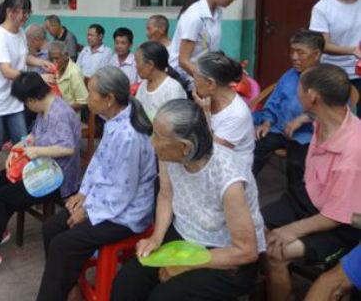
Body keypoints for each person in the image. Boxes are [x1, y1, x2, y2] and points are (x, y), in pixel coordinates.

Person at [111, 99, 265, 300]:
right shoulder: (169, 154)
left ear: (184, 147)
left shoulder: (229, 178)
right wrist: (156, 237)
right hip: (184, 238)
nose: (152, 142)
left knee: (165, 297)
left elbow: (246, 251)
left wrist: (188, 264)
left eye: (158, 136)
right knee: (127, 282)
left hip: (225, 252)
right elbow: (166, 195)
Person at [36, 66, 157, 301]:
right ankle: (67, 286)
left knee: (63, 244)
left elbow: (123, 192)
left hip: (126, 213)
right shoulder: (113, 119)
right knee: (51, 228)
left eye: (91, 93)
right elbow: (97, 164)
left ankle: (55, 291)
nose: (87, 98)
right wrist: (83, 194)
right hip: (105, 200)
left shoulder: (128, 135)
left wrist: (88, 211)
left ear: (109, 99)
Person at [0, 72, 81, 281]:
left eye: (25, 103)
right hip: (42, 167)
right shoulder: (46, 106)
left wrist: (37, 152)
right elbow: (36, 134)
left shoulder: (59, 112)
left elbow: (68, 148)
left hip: (56, 177)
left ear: (32, 100)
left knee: (2, 197)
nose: (26, 107)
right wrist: (22, 145)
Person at [262, 64, 361, 301]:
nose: (296, 93)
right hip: (309, 196)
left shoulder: (352, 151)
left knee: (277, 252)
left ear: (313, 96)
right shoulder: (323, 119)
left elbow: (337, 215)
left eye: (300, 88)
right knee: (255, 229)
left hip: (342, 222)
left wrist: (291, 230)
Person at [0, 0, 54, 184]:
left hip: (13, 97)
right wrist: (38, 77)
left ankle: (27, 178)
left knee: (23, 139)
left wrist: (41, 62)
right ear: (10, 11)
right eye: (23, 13)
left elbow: (23, 57)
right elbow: (7, 71)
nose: (25, 17)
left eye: (28, 13)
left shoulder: (19, 32)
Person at [252, 30, 323, 185]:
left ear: (316, 54)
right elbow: (274, 102)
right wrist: (267, 122)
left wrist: (306, 118)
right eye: (292, 51)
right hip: (280, 129)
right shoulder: (289, 75)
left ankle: (301, 207)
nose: (294, 57)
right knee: (254, 149)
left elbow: (335, 111)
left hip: (306, 135)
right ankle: (241, 191)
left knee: (296, 165)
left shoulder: (326, 79)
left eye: (300, 52)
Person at [169, 0, 244, 86]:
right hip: (184, 80)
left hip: (201, 74)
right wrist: (208, 82)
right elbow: (183, 61)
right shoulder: (195, 16)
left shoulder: (217, 12)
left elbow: (209, 49)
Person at [309, 0, 361, 114]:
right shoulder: (323, 8)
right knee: (337, 117)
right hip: (335, 73)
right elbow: (322, 45)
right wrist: (352, 51)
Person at [192, 52, 255, 170]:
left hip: (231, 174)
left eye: (195, 78)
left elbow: (212, 153)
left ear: (210, 83)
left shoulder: (237, 114)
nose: (193, 84)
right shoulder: (207, 100)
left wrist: (205, 113)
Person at [134, 41, 187, 121]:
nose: (136, 66)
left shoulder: (173, 89)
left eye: (137, 62)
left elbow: (176, 123)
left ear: (150, 64)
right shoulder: (143, 85)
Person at [48, 41, 88, 111]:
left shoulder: (74, 73)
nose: (54, 62)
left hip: (68, 115)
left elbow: (83, 102)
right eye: (51, 59)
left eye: (57, 58)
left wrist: (62, 109)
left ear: (66, 56)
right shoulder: (55, 69)